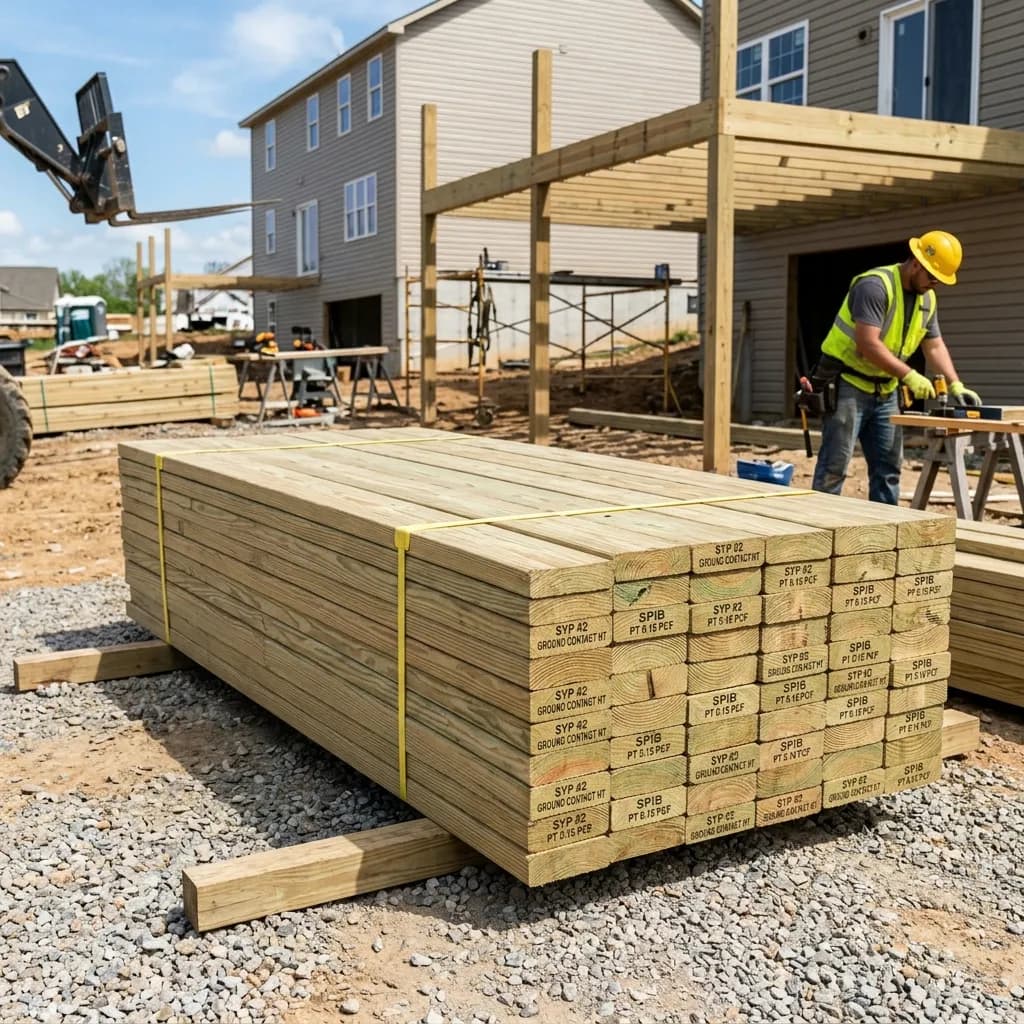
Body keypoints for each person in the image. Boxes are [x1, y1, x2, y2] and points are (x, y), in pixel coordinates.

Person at [810, 230, 981, 505]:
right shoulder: (875, 286)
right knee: (834, 467)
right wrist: (910, 375)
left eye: (939, 280)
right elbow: (867, 344)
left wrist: (955, 384)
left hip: (886, 389)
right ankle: (818, 524)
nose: (934, 284)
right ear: (916, 263)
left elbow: (934, 346)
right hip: (848, 383)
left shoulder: (927, 299)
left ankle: (888, 528)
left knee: (889, 470)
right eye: (932, 277)